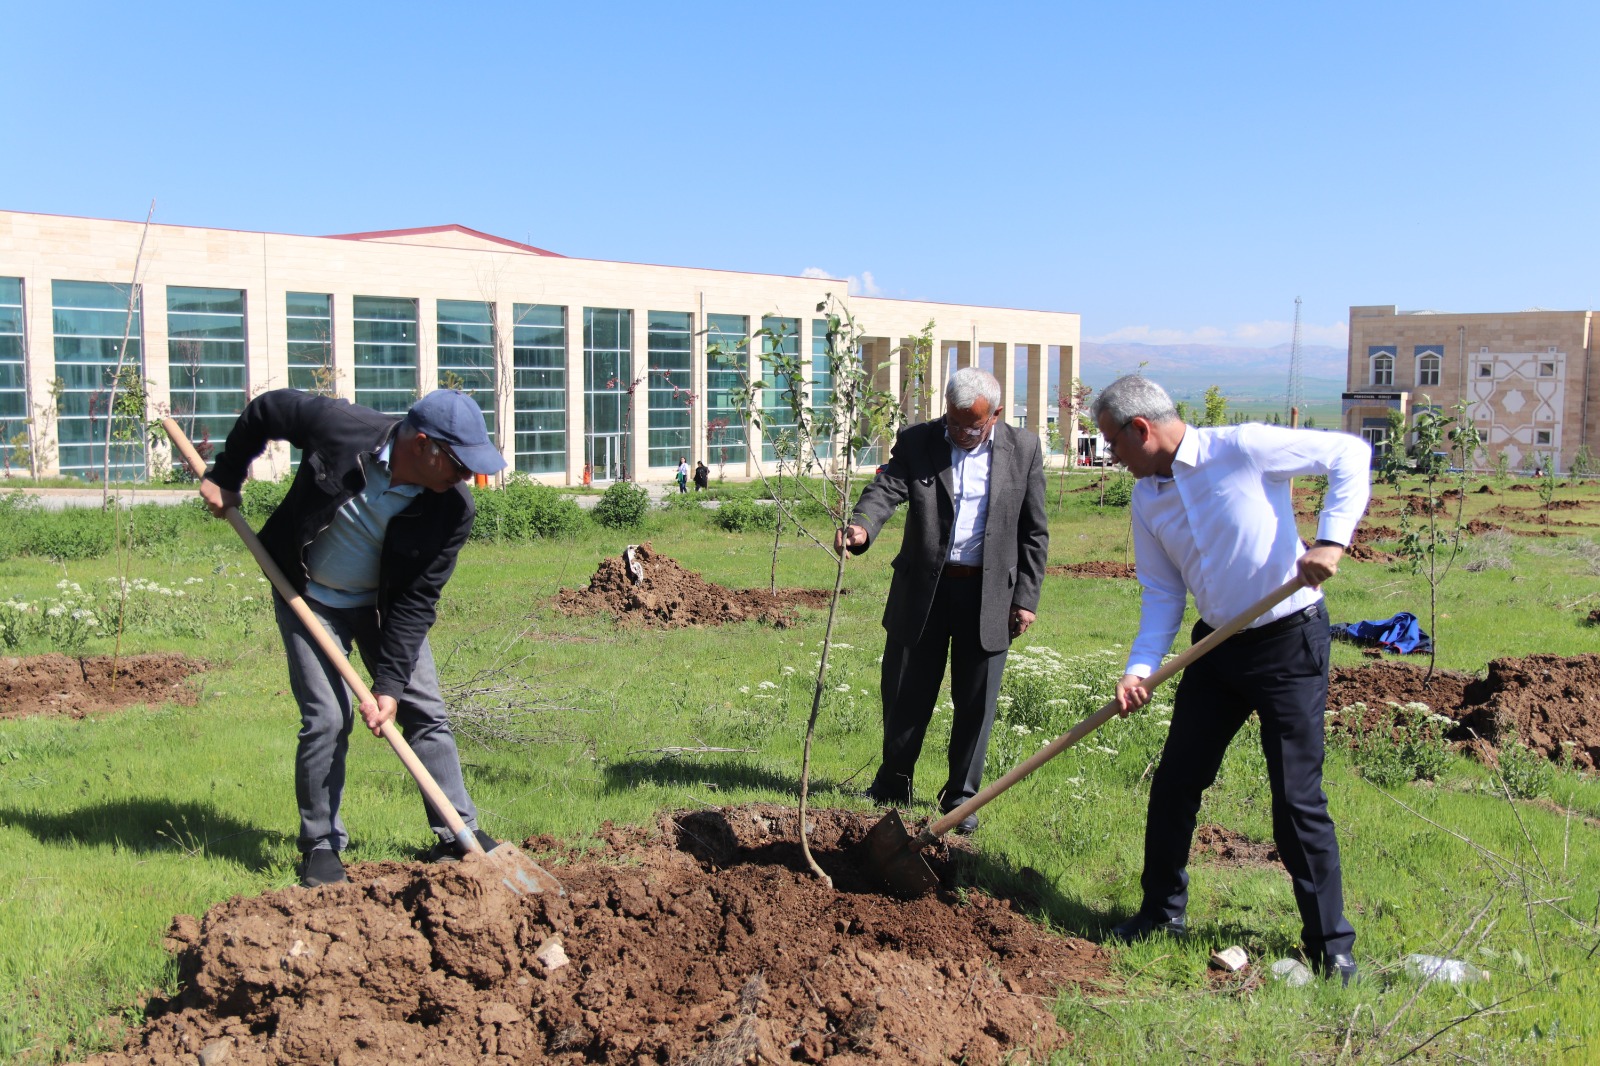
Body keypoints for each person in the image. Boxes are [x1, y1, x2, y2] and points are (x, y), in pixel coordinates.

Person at [1093, 373, 1369, 985]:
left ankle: (1332, 949)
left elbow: (1349, 453)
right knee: (1175, 783)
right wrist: (1139, 668)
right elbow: (1163, 593)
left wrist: (1331, 540)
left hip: (1288, 641)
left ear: (1141, 429)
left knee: (1296, 799)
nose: (1111, 456)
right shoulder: (1147, 499)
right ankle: (1161, 914)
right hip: (1215, 647)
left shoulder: (1241, 449)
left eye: (1113, 443)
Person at [199, 388, 508, 889]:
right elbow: (266, 410)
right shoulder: (338, 428)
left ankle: (458, 832)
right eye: (459, 463)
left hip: (384, 609)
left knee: (424, 709)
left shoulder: (453, 509)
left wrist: (389, 687)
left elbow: (417, 601)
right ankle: (321, 845)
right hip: (308, 597)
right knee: (327, 717)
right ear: (423, 445)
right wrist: (226, 475)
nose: (468, 476)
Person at [836, 367, 1048, 833]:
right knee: (905, 692)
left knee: (976, 702)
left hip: (988, 594)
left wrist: (1026, 598)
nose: (959, 432)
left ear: (995, 415)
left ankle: (960, 799)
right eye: (952, 421)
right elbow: (887, 487)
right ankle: (893, 784)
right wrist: (862, 526)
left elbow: (1034, 531)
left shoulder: (1025, 449)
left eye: (971, 426)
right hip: (923, 591)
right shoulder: (919, 441)